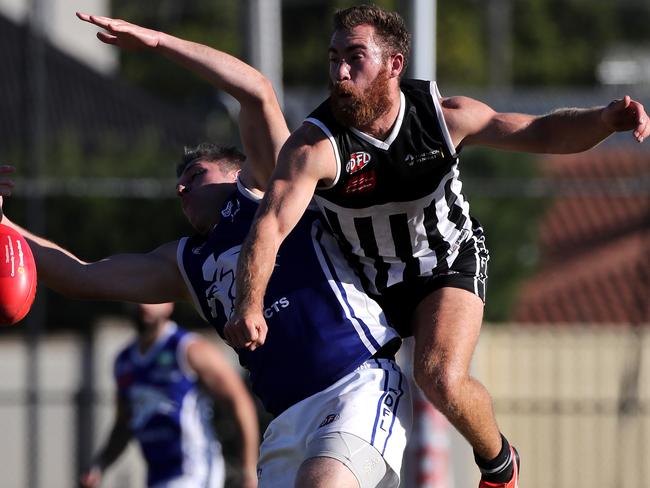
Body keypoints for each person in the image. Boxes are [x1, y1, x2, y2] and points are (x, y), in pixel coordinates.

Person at [226, 4, 650, 488]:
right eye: (333, 58)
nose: (341, 72)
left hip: (445, 263)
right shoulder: (314, 147)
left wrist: (604, 118)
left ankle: (499, 463)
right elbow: (269, 226)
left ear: (394, 64)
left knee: (438, 375)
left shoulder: (441, 117)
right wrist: (249, 303)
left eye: (356, 57)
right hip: (365, 284)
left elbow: (542, 131)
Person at [0, 13, 412, 488]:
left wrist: (158, 42)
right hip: (286, 419)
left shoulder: (268, 189)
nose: (181, 188)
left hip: (352, 387)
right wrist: (3, 223)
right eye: (178, 183)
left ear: (236, 171)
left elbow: (255, 89)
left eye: (194, 174)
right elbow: (80, 274)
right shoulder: (186, 262)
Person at [79, 302, 255, 488]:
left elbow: (239, 401)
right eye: (138, 295)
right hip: (157, 476)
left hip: (194, 472)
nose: (144, 304)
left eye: (151, 297)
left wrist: (249, 470)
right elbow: (124, 424)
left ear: (169, 304)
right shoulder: (124, 362)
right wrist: (100, 465)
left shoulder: (189, 349)